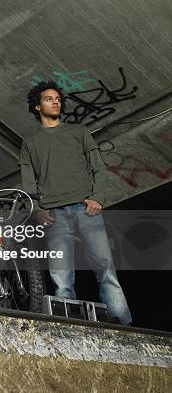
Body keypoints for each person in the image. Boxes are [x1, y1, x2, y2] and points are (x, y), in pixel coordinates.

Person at [19, 80, 132, 325]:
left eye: (58, 98)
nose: (55, 101)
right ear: (37, 107)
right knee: (61, 277)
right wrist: (39, 210)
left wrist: (98, 198)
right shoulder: (30, 143)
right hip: (55, 217)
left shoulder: (78, 132)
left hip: (86, 210)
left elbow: (99, 168)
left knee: (106, 271)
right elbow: (28, 184)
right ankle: (70, 329)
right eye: (49, 98)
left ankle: (124, 327)